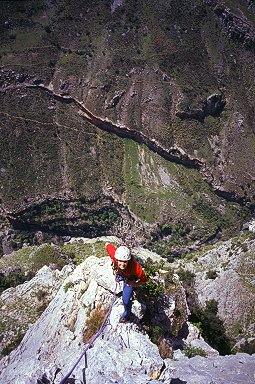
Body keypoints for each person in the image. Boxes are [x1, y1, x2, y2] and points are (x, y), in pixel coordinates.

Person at [105, 242, 149, 323]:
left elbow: (145, 279)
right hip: (122, 273)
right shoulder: (115, 256)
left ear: (128, 260)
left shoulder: (135, 268)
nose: (122, 264)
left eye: (125, 262)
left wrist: (134, 284)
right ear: (117, 259)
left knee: (125, 300)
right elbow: (107, 245)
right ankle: (120, 276)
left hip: (130, 278)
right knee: (120, 271)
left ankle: (126, 315)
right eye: (120, 261)